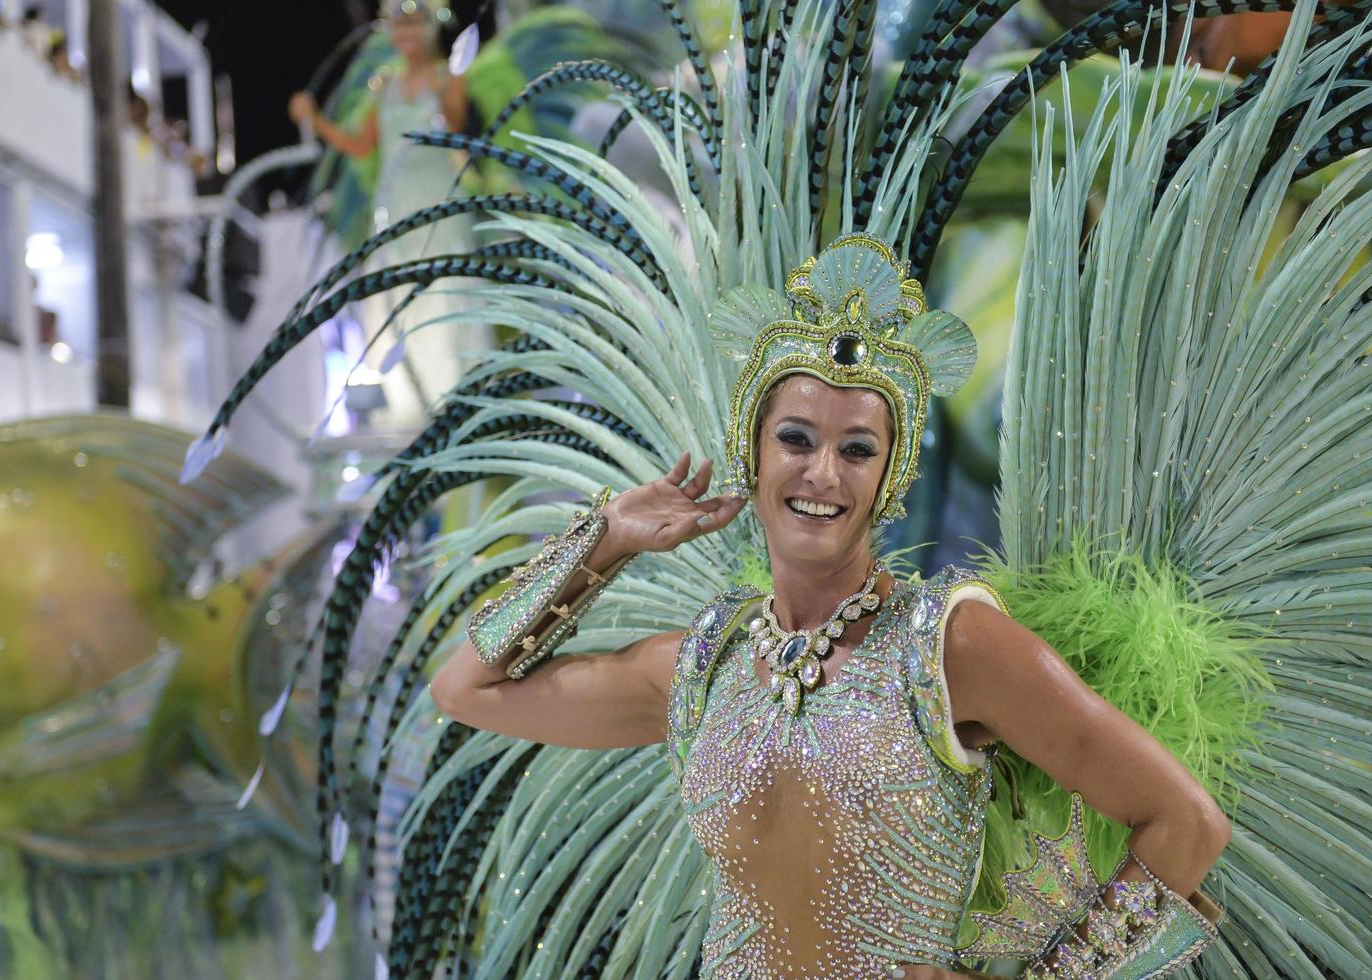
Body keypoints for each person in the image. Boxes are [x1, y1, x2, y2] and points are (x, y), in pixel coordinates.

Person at [428, 234, 1228, 978]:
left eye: (856, 450)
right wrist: (605, 538)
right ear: (753, 451)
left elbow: (1185, 823)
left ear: (888, 477)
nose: (821, 475)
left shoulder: (950, 648)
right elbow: (466, 689)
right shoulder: (705, 668)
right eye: (796, 440)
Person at [286, 0, 473, 428]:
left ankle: (454, 408)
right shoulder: (383, 85)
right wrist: (313, 120)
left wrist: (449, 86)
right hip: (394, 211)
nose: (405, 33)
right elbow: (360, 145)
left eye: (414, 24)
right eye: (398, 25)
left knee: (443, 295)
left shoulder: (450, 75)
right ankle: (407, 414)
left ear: (430, 28)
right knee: (396, 303)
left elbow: (457, 124)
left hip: (440, 206)